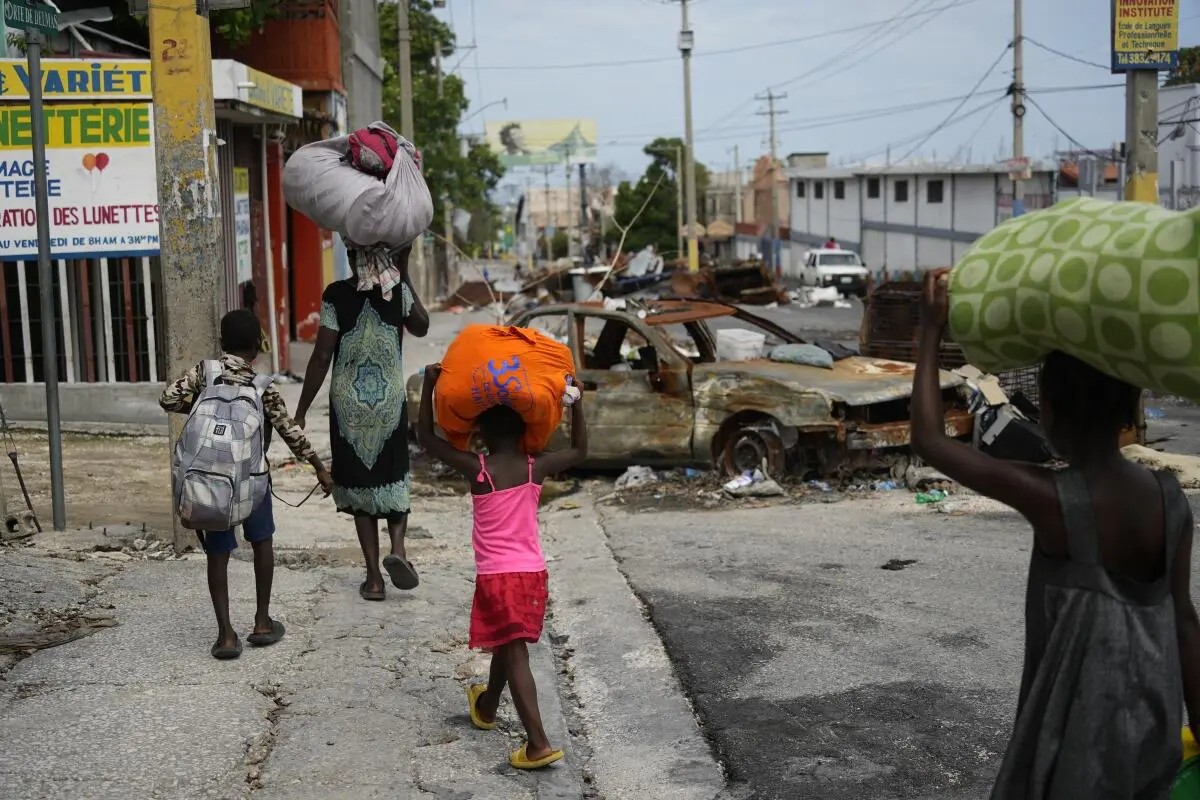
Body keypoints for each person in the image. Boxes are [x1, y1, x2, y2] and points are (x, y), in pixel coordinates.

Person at [910, 269, 1200, 797]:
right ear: (1127, 411)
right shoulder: (1170, 498)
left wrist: (931, 329)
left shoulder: (1052, 498)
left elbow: (930, 439)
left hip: (1073, 746)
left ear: (1052, 410)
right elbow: (1184, 622)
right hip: (1150, 736)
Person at [417, 363, 586, 770]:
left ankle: (539, 744)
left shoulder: (480, 470)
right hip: (532, 574)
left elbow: (425, 437)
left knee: (513, 652)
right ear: (524, 434)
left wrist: (428, 387)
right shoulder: (536, 467)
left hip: (498, 577)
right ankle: (488, 706)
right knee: (507, 643)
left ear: (483, 436)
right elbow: (580, 451)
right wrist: (578, 402)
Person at [160, 309, 333, 660]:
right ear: (257, 346)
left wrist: (201, 407)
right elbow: (290, 431)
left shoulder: (204, 374)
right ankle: (262, 622)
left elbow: (167, 399)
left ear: (221, 342)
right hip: (251, 481)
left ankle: (225, 635)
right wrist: (319, 467)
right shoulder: (262, 387)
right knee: (261, 543)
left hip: (209, 481)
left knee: (219, 554)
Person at [294, 245, 429, 601]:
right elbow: (422, 325)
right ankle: (397, 550)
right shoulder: (396, 292)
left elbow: (322, 356)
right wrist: (403, 271)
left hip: (349, 408)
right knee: (394, 477)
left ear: (352, 258)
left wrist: (302, 410)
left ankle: (373, 579)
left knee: (359, 486)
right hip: (388, 405)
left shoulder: (336, 295)